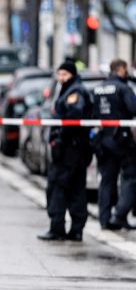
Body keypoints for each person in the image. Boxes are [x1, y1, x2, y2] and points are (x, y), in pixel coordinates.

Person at [38, 61, 93, 242]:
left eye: (65, 75)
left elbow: (73, 117)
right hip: (75, 149)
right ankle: (75, 230)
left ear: (72, 75)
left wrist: (59, 139)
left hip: (69, 150)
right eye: (59, 74)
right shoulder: (70, 90)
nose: (61, 78)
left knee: (58, 188)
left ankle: (58, 229)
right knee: (76, 189)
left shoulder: (75, 92)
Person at [92, 59, 136, 230]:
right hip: (121, 140)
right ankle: (119, 214)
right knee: (131, 176)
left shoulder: (98, 88)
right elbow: (133, 108)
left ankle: (104, 219)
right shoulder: (123, 88)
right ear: (121, 69)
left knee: (107, 180)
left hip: (102, 140)